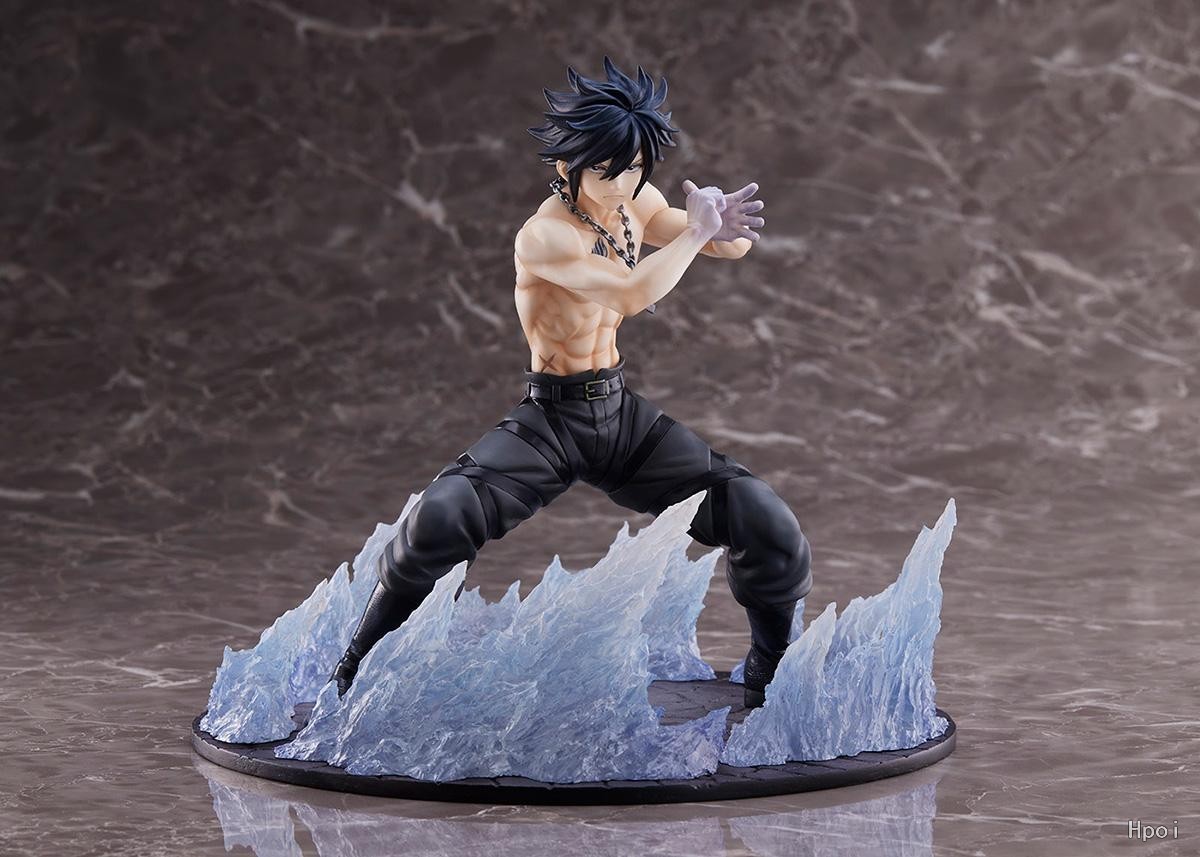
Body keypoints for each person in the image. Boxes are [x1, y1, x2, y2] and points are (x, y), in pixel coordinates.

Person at [331, 57, 812, 709]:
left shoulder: (635, 203)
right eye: (607, 170)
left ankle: (769, 678)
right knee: (438, 521)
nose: (624, 183)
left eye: (635, 168)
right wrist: (696, 233)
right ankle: (352, 675)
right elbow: (634, 292)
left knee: (762, 518)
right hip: (551, 421)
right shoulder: (545, 236)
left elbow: (724, 245)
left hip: (618, 418)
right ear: (568, 166)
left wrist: (717, 223)